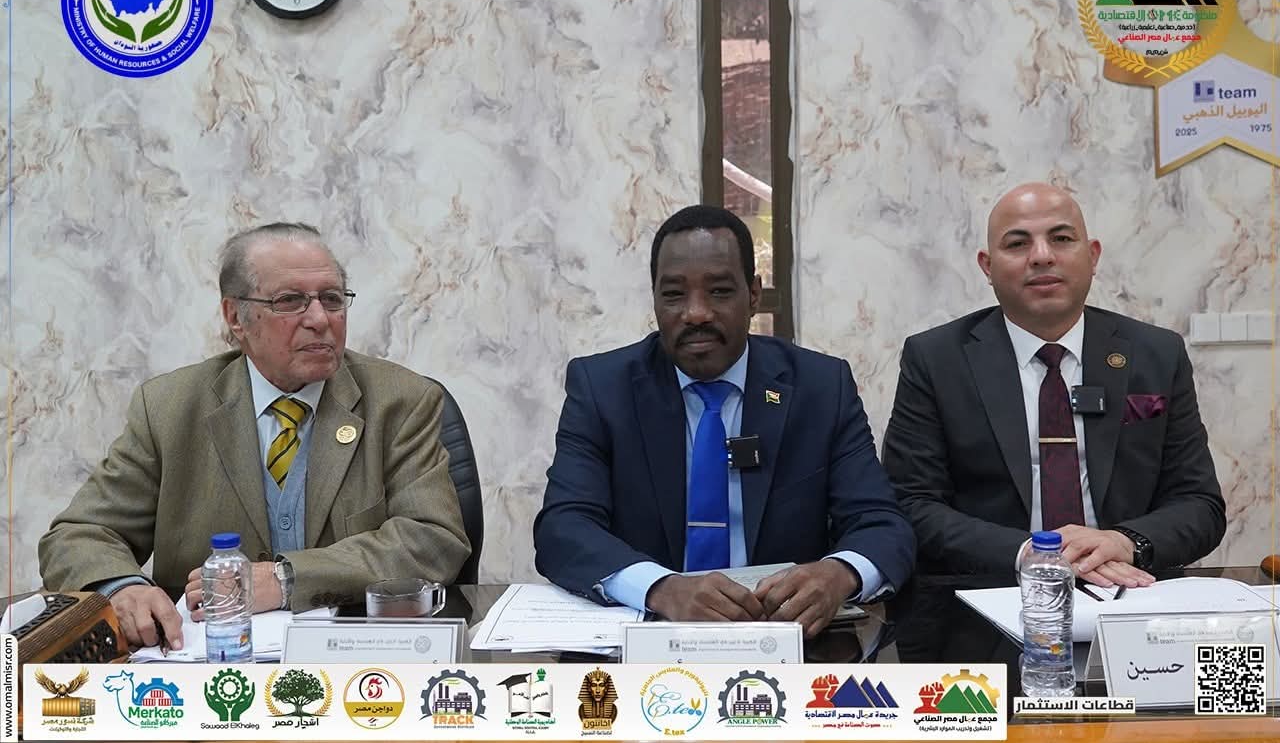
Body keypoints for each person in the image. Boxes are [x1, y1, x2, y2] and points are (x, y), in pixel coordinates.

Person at [38, 222, 470, 650]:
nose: (320, 319)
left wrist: (286, 579)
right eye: (290, 301)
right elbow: (79, 535)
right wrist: (123, 588)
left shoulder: (401, 401)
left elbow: (432, 539)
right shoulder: (169, 408)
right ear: (235, 317)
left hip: (355, 656)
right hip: (207, 662)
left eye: (332, 299)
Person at [533, 205, 914, 637]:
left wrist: (838, 574)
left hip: (785, 639)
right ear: (654, 299)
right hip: (650, 638)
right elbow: (563, 528)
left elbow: (883, 525)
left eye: (719, 291)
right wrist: (662, 588)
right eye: (674, 294)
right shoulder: (602, 388)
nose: (696, 313)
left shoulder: (821, 388)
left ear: (753, 294)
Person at [882, 183, 1225, 586]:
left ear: (1092, 256)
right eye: (1017, 244)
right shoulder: (936, 359)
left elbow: (1199, 504)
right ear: (987, 267)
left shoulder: (1156, 355)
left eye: (1061, 239)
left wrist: (1122, 542)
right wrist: (1032, 554)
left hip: (1129, 585)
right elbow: (911, 504)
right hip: (992, 588)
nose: (1042, 256)